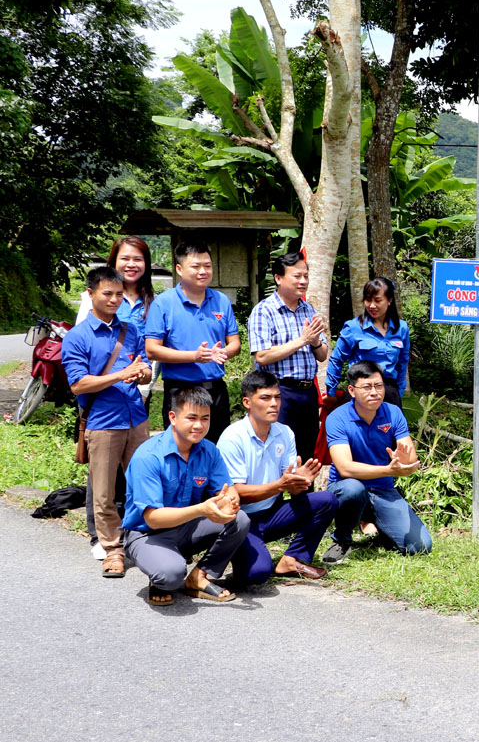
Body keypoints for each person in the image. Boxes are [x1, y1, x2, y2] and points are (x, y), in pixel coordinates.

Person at [62, 266, 153, 577]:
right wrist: (120, 374)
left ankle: (145, 541)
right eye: (107, 294)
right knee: (103, 492)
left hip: (137, 417)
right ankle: (112, 551)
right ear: (91, 295)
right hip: (102, 421)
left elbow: (146, 369)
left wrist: (143, 372)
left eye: (118, 294)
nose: (114, 299)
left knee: (145, 482)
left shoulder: (131, 330)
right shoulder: (77, 337)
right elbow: (77, 385)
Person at [122, 387, 251, 606]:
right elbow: (152, 518)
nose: (199, 425)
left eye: (205, 418)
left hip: (187, 527)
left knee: (239, 520)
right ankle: (161, 574)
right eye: (191, 418)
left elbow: (224, 489)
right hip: (147, 533)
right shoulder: (149, 456)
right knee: (170, 575)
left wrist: (230, 500)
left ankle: (199, 577)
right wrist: (202, 509)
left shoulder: (209, 451)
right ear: (173, 417)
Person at [217, 370, 338, 585]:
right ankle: (236, 551)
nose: (274, 404)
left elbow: (292, 489)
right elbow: (237, 495)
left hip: (272, 513)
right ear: (247, 402)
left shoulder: (285, 432)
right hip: (240, 519)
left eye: (277, 397)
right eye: (265, 398)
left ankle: (292, 559)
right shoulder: (232, 437)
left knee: (327, 500)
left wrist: (300, 481)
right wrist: (280, 485)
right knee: (257, 575)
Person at [322, 360, 431, 562]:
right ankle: (341, 541)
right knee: (354, 490)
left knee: (420, 547)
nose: (375, 392)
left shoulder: (393, 412)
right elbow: (345, 468)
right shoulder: (337, 417)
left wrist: (405, 463)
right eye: (367, 387)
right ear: (352, 390)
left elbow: (410, 457)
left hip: (382, 490)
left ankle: (380, 525)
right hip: (346, 488)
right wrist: (389, 470)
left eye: (378, 386)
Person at [145, 241, 241, 442]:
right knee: (180, 451)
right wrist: (194, 357)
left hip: (216, 391)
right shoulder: (163, 303)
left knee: (216, 450)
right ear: (179, 269)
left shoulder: (221, 300)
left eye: (207, 266)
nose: (203, 271)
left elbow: (234, 343)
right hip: (180, 390)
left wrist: (224, 352)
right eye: (196, 266)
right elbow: (152, 350)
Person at [247, 252, 329, 462]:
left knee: (307, 454)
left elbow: (322, 355)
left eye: (306, 276)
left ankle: (304, 495)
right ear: (278, 278)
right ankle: (271, 495)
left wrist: (314, 342)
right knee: (275, 453)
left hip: (307, 392)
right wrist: (302, 340)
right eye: (297, 276)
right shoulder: (264, 311)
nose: (303, 281)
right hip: (278, 392)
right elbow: (262, 356)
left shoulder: (308, 309)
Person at [325, 277, 411, 410]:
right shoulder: (353, 328)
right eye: (368, 300)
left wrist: (398, 392)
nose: (372, 305)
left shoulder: (402, 328)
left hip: (389, 394)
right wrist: (331, 391)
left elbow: (403, 362)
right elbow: (336, 360)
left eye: (378, 300)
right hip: (360, 392)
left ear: (389, 301)